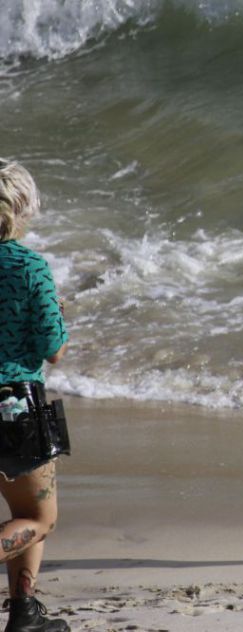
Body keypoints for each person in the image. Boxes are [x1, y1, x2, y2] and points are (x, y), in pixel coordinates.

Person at [0, 159, 70, 632]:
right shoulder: (29, 267)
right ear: (22, 207)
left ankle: (24, 613)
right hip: (13, 407)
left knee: (23, 515)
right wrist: (58, 314)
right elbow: (53, 349)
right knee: (38, 518)